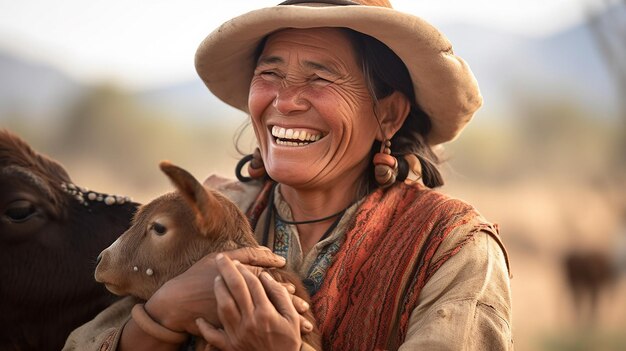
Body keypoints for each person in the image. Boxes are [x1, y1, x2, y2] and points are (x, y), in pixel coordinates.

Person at [64, 0, 513, 350]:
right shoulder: (206, 214)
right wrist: (164, 315)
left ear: (389, 115)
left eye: (320, 78)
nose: (286, 100)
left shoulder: (453, 250)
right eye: (270, 73)